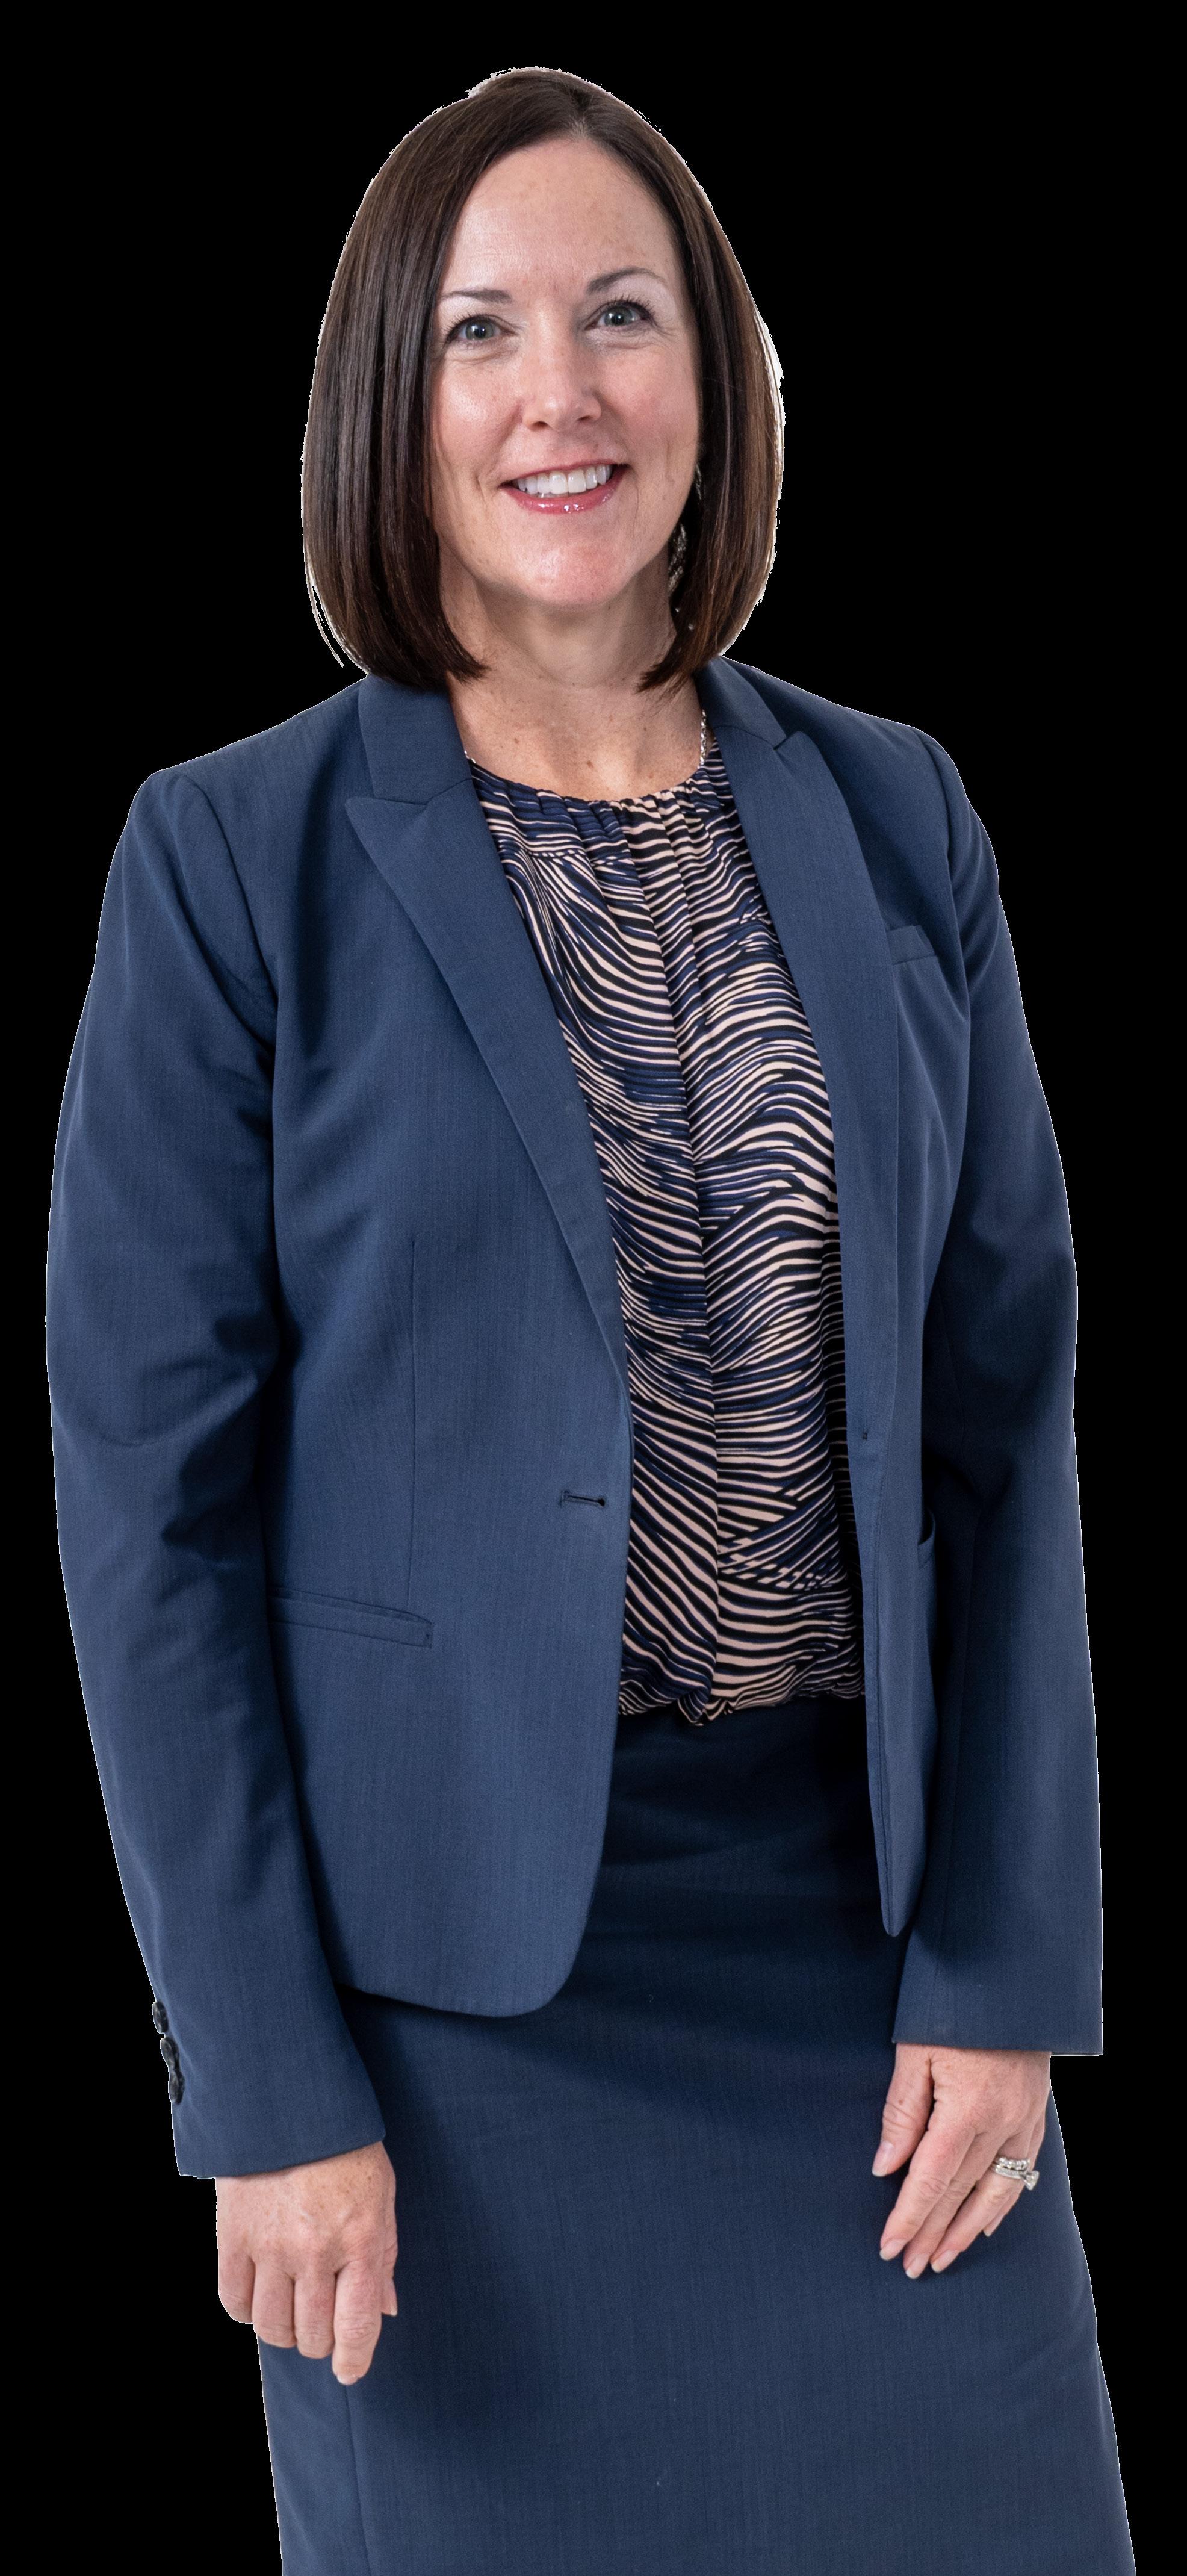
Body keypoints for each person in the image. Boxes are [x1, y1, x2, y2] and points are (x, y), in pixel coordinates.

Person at [48, 66, 1133, 2575]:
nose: (563, 392)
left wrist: (1006, 1962)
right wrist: (262, 2078)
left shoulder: (899, 814)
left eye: (622, 316)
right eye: (483, 332)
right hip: (441, 2021)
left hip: (865, 1965)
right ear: (389, 403)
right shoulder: (232, 859)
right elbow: (149, 1519)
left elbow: (1006, 1420)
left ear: (717, 378)